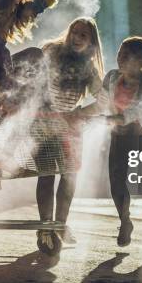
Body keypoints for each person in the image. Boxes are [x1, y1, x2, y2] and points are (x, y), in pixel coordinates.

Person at [77, 36, 142, 257]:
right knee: (116, 182)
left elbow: (139, 111)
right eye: (119, 53)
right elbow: (101, 104)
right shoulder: (112, 77)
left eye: (127, 55)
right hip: (121, 136)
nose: (121, 58)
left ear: (140, 61)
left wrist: (113, 120)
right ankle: (125, 222)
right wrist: (79, 114)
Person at [34, 17, 104, 250]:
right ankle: (45, 228)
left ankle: (60, 224)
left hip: (71, 129)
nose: (77, 38)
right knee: (46, 174)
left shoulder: (88, 67)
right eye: (74, 32)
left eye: (83, 35)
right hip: (44, 123)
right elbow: (31, 83)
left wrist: (80, 113)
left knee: (70, 175)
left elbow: (105, 101)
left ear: (91, 41)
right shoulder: (51, 51)